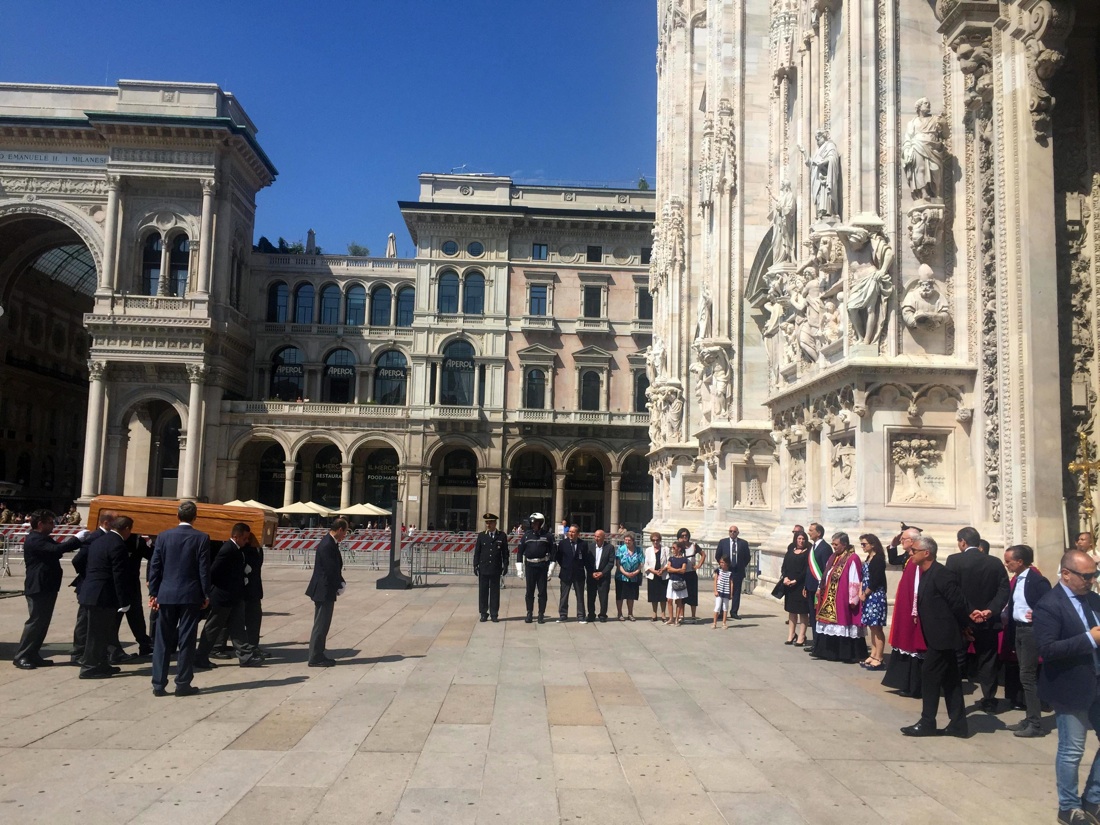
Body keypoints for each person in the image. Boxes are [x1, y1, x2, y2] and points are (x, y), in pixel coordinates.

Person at [1034, 550, 1100, 824]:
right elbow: (1047, 649)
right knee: (1072, 751)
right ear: (1066, 574)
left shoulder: (1094, 600)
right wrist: (1089, 638)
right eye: (1087, 576)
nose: (1092, 581)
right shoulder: (1049, 605)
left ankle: (1093, 799)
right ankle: (1069, 807)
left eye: (1095, 575)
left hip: (1097, 683)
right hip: (1070, 687)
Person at [901, 535, 971, 738]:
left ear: (927, 553)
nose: (910, 553)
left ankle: (927, 722)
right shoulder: (926, 573)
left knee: (929, 675)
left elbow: (958, 603)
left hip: (944, 636)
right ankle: (958, 724)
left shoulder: (942, 574)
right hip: (936, 635)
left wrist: (965, 627)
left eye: (914, 550)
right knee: (951, 679)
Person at [147, 501, 211, 696]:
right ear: (195, 517)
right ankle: (182, 683)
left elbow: (155, 566)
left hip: (166, 594)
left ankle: (158, 684)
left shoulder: (163, 536)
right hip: (190, 595)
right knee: (187, 640)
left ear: (177, 516)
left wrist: (153, 593)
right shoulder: (201, 538)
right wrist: (205, 593)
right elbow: (203, 569)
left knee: (162, 640)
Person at [946, 526, 1010, 712]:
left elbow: (952, 590)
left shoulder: (954, 561)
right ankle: (989, 699)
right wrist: (990, 610)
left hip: (963, 620)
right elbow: (1004, 589)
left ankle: (955, 699)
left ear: (963, 542)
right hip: (988, 620)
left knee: (957, 658)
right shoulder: (994, 562)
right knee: (988, 660)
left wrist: (970, 611)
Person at [13, 509, 81, 669]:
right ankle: (22, 656)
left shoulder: (43, 538)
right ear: (40, 524)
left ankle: (33, 654)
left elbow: (58, 550)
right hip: (38, 586)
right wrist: (77, 539)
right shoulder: (35, 539)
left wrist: (75, 542)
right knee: (35, 622)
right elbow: (56, 550)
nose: (53, 525)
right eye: (50, 522)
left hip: (47, 585)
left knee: (42, 623)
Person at [195, 522, 261, 669]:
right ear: (236, 536)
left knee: (238, 628)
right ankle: (200, 657)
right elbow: (213, 572)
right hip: (223, 597)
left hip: (235, 597)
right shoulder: (227, 549)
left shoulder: (237, 549)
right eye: (244, 538)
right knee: (212, 628)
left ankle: (246, 657)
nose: (247, 541)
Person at [1002, 543, 1051, 738]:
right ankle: (1029, 717)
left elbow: (1049, 605)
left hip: (1031, 632)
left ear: (1020, 561)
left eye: (1009, 561)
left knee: (1028, 676)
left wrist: (1038, 615)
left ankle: (1035, 723)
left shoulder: (1037, 581)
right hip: (1019, 630)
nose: (1007, 565)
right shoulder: (1018, 580)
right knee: (1024, 675)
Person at [77, 516, 133, 679]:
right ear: (127, 529)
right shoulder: (118, 545)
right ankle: (89, 667)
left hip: (92, 591)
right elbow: (119, 575)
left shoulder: (99, 540)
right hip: (103, 595)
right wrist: (124, 601)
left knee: (102, 633)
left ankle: (101, 664)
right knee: (97, 634)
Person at [882, 526, 927, 697]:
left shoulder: (917, 562)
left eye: (904, 539)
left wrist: (914, 610)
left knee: (912, 644)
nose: (901, 541)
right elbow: (893, 560)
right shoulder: (909, 558)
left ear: (913, 541)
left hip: (912, 608)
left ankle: (913, 685)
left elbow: (917, 587)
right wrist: (893, 545)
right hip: (905, 606)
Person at [810, 533, 867, 663]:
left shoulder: (852, 558)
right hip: (829, 596)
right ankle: (826, 652)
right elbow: (826, 574)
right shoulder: (833, 557)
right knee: (827, 624)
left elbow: (854, 579)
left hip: (842, 597)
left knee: (842, 622)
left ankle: (845, 654)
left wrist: (853, 599)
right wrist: (820, 588)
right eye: (833, 544)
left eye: (836, 544)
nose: (834, 547)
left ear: (844, 544)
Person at [69, 509, 115, 665]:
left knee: (92, 622)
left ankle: (94, 653)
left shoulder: (106, 537)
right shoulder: (95, 537)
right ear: (106, 523)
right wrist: (88, 575)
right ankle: (78, 653)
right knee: (84, 621)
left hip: (95, 586)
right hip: (88, 585)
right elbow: (77, 560)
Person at [306, 518, 347, 666]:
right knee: (321, 624)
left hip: (326, 588)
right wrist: (339, 584)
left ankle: (319, 653)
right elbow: (330, 569)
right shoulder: (327, 545)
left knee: (323, 624)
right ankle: (315, 656)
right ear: (340, 529)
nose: (345, 536)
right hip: (323, 589)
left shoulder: (330, 543)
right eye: (345, 532)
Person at [859, 534, 888, 670]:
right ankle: (873, 653)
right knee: (872, 626)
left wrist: (865, 593)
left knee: (877, 627)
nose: (862, 546)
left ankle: (879, 657)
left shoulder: (878, 560)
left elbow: (876, 580)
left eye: (864, 544)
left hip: (875, 596)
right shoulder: (868, 558)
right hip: (868, 596)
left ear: (873, 544)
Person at [517, 512, 553, 624]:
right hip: (530, 566)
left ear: (541, 523)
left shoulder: (547, 536)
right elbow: (520, 552)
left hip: (542, 566)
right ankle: (529, 613)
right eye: (533, 523)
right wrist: (519, 569)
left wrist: (551, 570)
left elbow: (553, 553)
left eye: (536, 523)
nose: (534, 525)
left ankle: (541, 614)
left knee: (542, 592)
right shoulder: (526, 535)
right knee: (529, 592)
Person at [473, 513, 509, 622]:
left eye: (490, 523)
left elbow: (505, 552)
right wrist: (475, 565)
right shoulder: (482, 536)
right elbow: (477, 551)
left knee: (494, 592)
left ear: (495, 523)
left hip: (495, 567)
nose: (488, 525)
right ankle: (483, 613)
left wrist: (506, 565)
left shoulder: (501, 536)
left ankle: (494, 613)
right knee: (483, 591)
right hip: (484, 567)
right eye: (487, 523)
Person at [553, 523, 589, 623]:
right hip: (566, 573)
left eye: (573, 532)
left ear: (578, 534)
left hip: (579, 574)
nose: (571, 534)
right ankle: (563, 615)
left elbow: (586, 558)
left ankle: (581, 616)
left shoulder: (583, 544)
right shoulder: (563, 543)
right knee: (564, 595)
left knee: (580, 596)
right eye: (570, 532)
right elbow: (559, 557)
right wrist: (565, 566)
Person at [780, 530, 811, 645]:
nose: (801, 541)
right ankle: (791, 634)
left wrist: (796, 580)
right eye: (799, 539)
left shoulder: (808, 552)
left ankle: (802, 636)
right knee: (791, 611)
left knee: (802, 611)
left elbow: (806, 570)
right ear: (795, 539)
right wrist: (785, 577)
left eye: (803, 539)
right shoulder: (790, 551)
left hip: (800, 585)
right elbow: (784, 566)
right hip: (789, 585)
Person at [715, 524, 751, 620]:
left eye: (734, 531)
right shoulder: (723, 542)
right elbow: (718, 555)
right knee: (723, 591)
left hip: (738, 571)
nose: (732, 533)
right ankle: (721, 612)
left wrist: (741, 565)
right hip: (726, 571)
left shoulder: (743, 543)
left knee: (736, 592)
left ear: (737, 533)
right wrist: (723, 566)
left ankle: (734, 612)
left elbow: (747, 557)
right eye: (730, 531)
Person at [803, 522, 830, 649]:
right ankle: (815, 642)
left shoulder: (825, 548)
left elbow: (826, 570)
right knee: (812, 617)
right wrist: (805, 585)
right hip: (810, 586)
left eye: (811, 530)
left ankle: (819, 644)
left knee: (818, 616)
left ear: (818, 533)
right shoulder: (813, 547)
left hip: (818, 589)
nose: (808, 532)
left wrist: (821, 587)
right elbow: (809, 568)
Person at [242, 530, 265, 654]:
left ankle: (253, 645)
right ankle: (218, 646)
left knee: (255, 618)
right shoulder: (245, 548)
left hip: (255, 590)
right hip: (245, 590)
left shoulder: (258, 548)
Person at [677, 528, 705, 623]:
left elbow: (703, 554)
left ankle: (693, 616)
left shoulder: (694, 545)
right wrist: (679, 545)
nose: (684, 537)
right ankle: (681, 615)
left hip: (691, 573)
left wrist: (698, 565)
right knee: (682, 596)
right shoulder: (679, 546)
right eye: (682, 536)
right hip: (682, 573)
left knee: (693, 595)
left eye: (686, 535)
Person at [587, 528, 615, 622]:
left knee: (603, 597)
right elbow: (587, 562)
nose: (596, 538)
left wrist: (602, 573)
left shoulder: (610, 548)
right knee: (591, 597)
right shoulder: (590, 547)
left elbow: (611, 563)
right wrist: (591, 573)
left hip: (604, 576)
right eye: (595, 536)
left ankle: (603, 615)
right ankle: (591, 615)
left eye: (598, 537)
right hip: (592, 575)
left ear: (604, 537)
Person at [615, 533, 643, 621]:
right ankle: (620, 613)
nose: (627, 542)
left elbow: (641, 563)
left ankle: (630, 614)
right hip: (621, 576)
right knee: (620, 596)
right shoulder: (621, 549)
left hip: (634, 577)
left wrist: (635, 572)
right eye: (626, 540)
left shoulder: (638, 550)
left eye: (629, 540)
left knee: (631, 596)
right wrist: (625, 573)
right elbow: (618, 564)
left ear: (633, 541)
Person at [644, 532, 668, 622]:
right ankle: (654, 613)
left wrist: (663, 570)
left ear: (660, 540)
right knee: (653, 596)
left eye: (657, 540)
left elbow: (668, 562)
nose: (655, 542)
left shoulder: (665, 549)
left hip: (663, 575)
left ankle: (663, 614)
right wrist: (654, 571)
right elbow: (646, 564)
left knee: (663, 596)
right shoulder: (648, 550)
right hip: (652, 575)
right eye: (653, 540)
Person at [665, 542, 689, 626]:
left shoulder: (683, 559)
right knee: (669, 599)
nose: (672, 549)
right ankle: (671, 618)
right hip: (671, 580)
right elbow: (668, 569)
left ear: (679, 549)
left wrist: (674, 570)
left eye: (674, 548)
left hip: (679, 581)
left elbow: (683, 570)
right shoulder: (671, 558)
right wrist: (678, 570)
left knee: (679, 600)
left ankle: (677, 619)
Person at [713, 556, 733, 629]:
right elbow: (715, 581)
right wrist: (715, 590)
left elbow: (731, 583)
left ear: (727, 563)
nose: (721, 564)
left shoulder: (730, 573)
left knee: (725, 607)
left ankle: (724, 623)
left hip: (726, 592)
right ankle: (714, 623)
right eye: (720, 562)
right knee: (717, 606)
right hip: (719, 591)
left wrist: (731, 594)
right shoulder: (718, 571)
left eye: (723, 562)